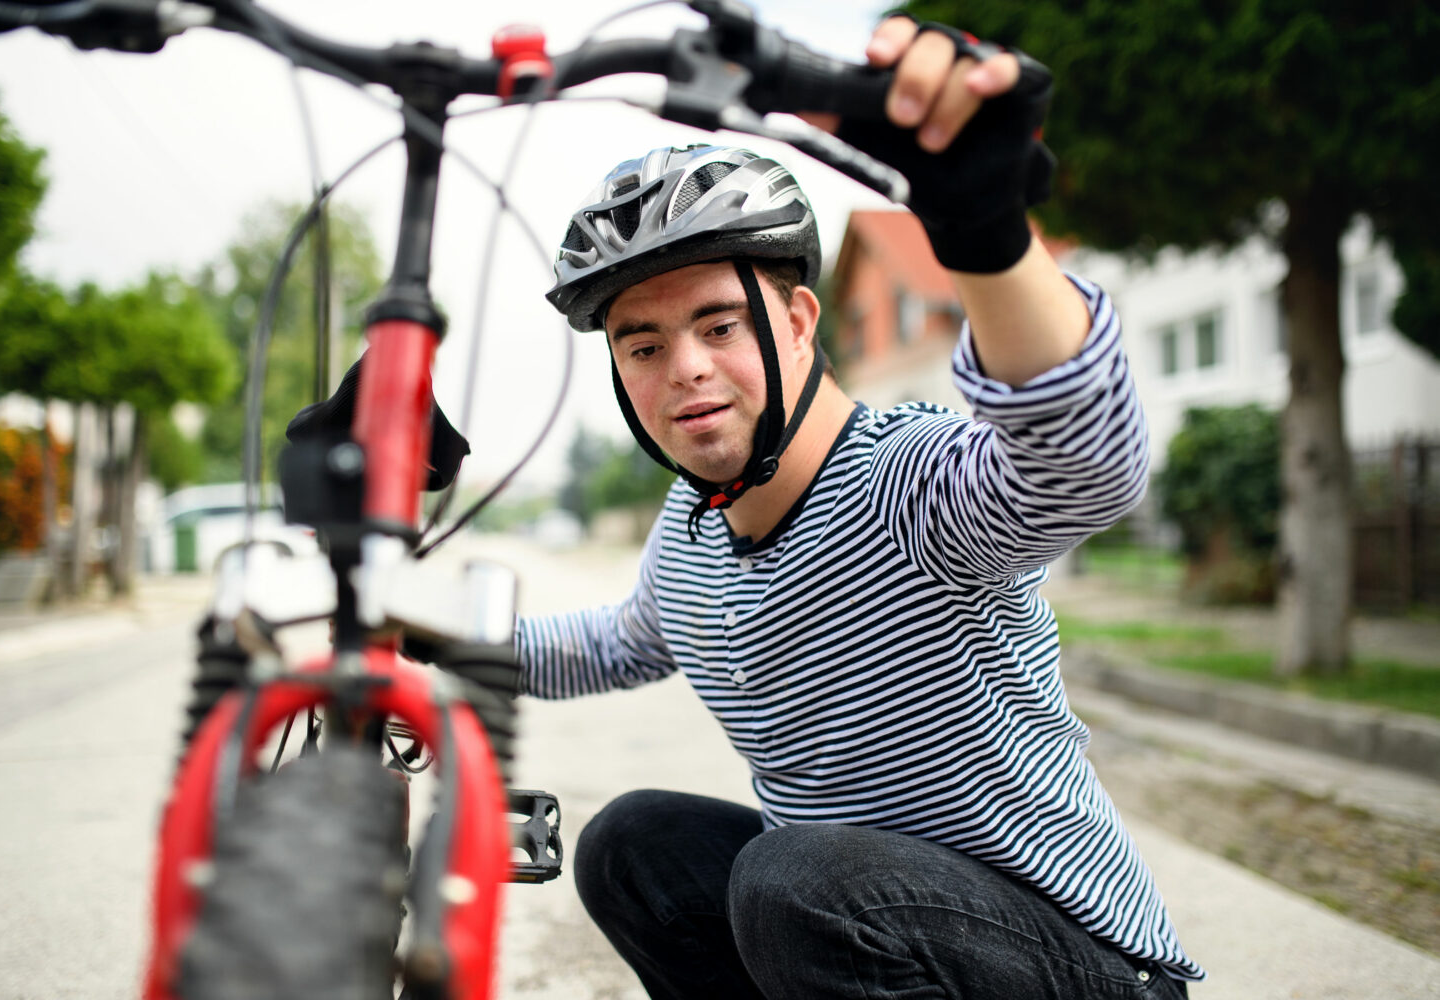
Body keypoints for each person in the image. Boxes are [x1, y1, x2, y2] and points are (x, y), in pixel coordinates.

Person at [515, 13, 1203, 999]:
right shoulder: (692, 535)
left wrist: (983, 231)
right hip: (878, 928)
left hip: (1083, 966)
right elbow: (609, 641)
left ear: (797, 322)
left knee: (793, 881)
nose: (686, 369)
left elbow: (1078, 470)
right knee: (634, 846)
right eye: (645, 345)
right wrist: (399, 635)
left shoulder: (904, 481)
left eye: (718, 323)